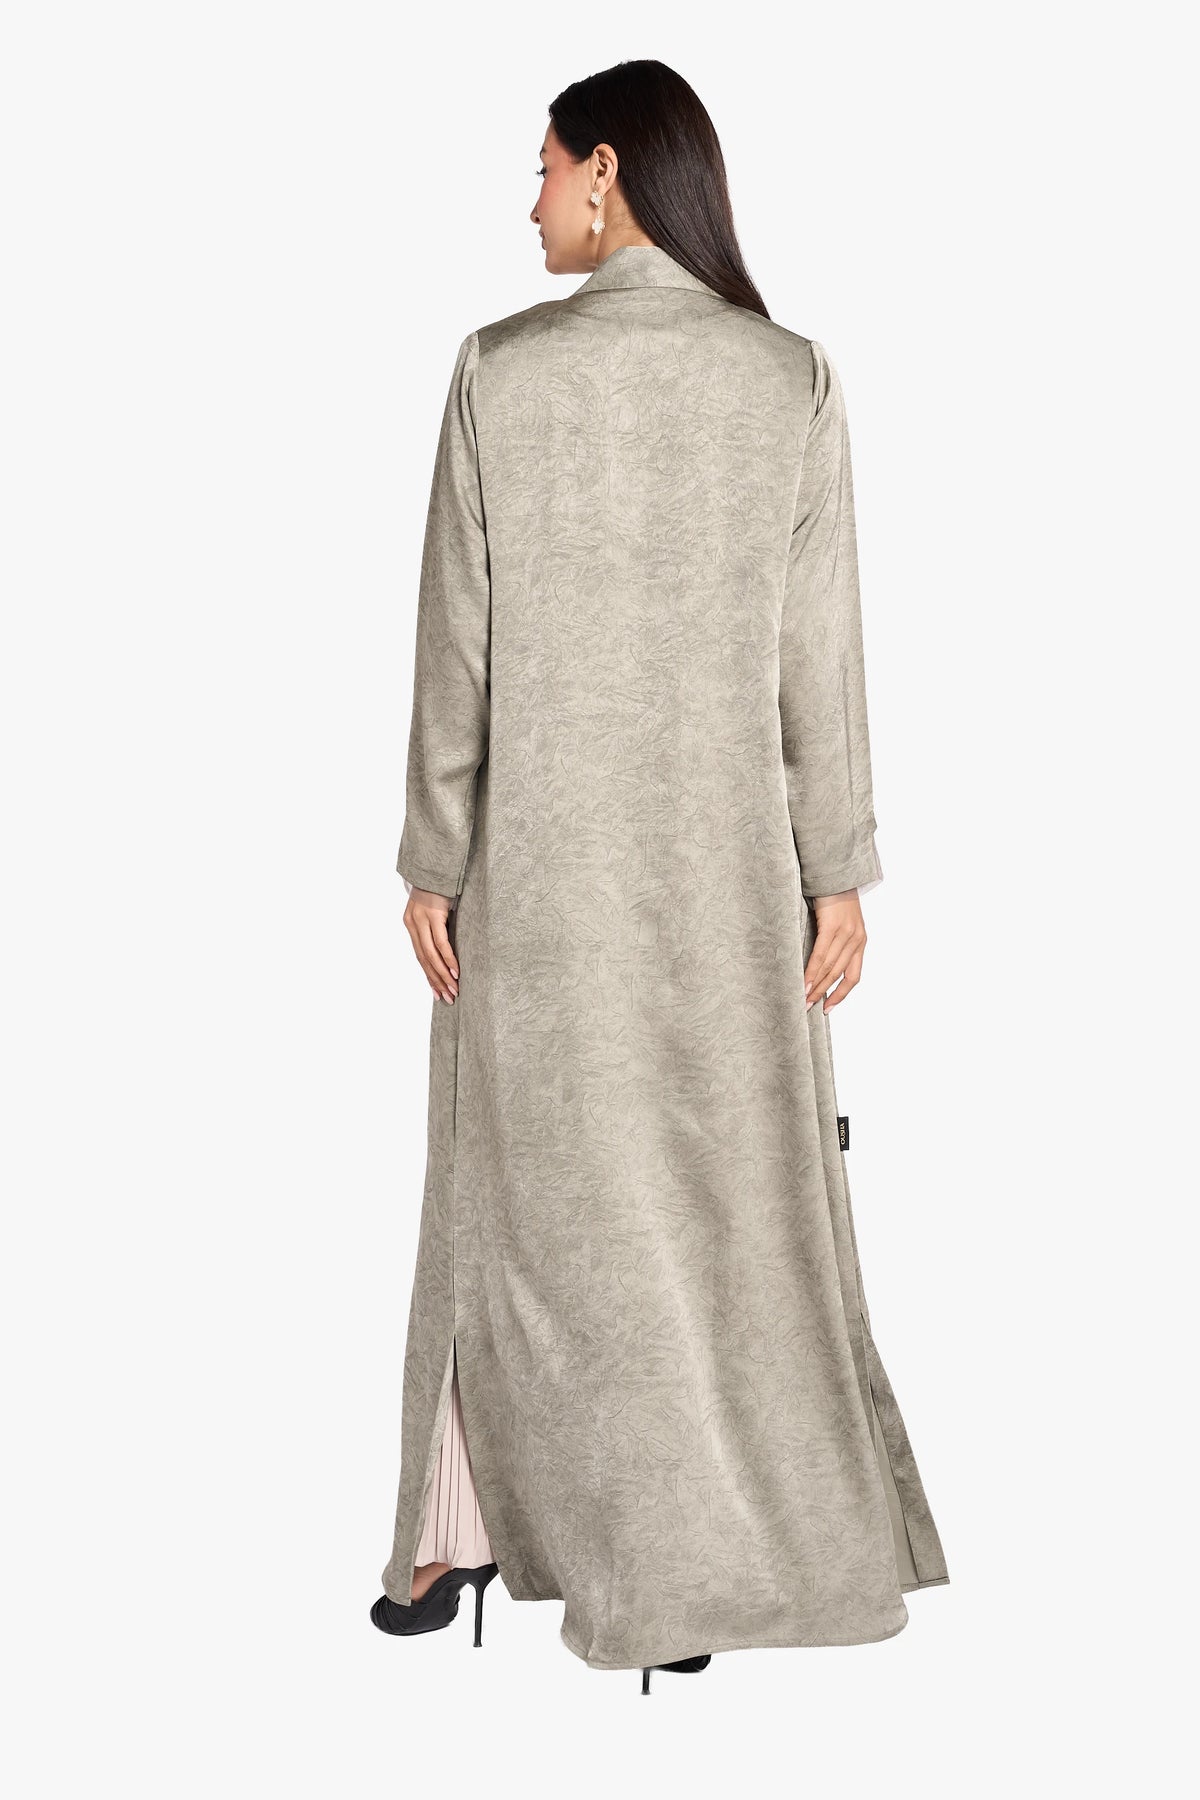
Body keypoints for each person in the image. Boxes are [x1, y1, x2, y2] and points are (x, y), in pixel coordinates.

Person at [369, 58, 949, 1691]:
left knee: (515, 1204)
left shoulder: (500, 373)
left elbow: (456, 653)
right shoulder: (789, 378)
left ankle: (456, 1537)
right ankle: (689, 1573)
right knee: (722, 1219)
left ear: (608, 170)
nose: (532, 203)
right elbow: (821, 664)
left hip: (542, 880)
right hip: (729, 887)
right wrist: (837, 872)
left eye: (544, 168)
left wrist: (433, 854)